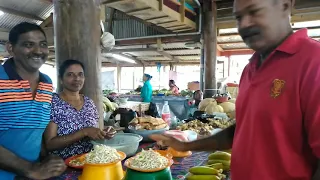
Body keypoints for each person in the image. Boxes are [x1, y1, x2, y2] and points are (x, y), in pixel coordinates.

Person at [151, 0, 320, 179]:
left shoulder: (313, 62)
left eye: (255, 11)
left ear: (285, 5)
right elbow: (241, 131)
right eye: (239, 17)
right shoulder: (251, 68)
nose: (245, 24)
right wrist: (185, 146)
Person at [0, 22, 66, 180]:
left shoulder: (47, 83)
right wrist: (29, 169)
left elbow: (34, 132)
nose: (38, 51)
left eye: (43, 44)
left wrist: (47, 160)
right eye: (28, 44)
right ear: (11, 48)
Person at [44, 60, 116, 159]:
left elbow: (95, 131)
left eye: (80, 74)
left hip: (92, 160)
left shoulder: (89, 103)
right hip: (63, 165)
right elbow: (50, 144)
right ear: (61, 79)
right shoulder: (53, 102)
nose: (77, 78)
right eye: (70, 75)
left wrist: (104, 132)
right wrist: (84, 132)